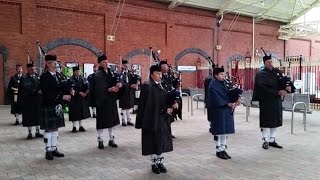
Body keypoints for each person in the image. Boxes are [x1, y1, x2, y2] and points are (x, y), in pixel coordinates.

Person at [135, 64, 177, 174]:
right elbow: (147, 105)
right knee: (152, 140)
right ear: (152, 74)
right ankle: (153, 162)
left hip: (162, 118)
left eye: (161, 73)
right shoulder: (147, 86)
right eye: (157, 74)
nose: (160, 76)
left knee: (161, 139)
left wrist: (173, 104)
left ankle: (159, 160)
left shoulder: (163, 84)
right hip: (151, 118)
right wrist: (164, 109)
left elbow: (166, 98)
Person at [253, 54, 291, 150]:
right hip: (266, 100)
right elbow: (262, 87)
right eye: (268, 62)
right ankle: (265, 140)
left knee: (275, 120)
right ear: (264, 63)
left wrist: (287, 87)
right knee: (266, 120)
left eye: (271, 61)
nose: (270, 63)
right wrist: (277, 92)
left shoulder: (276, 72)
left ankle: (272, 140)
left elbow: (282, 81)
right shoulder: (261, 74)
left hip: (276, 100)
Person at [39, 54, 72, 160]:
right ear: (48, 64)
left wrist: (69, 88)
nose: (56, 64)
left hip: (57, 105)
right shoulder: (44, 77)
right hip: (49, 104)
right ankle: (48, 150)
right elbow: (47, 93)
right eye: (54, 63)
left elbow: (62, 88)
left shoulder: (58, 75)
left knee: (55, 127)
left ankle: (54, 148)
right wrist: (63, 96)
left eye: (56, 62)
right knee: (49, 129)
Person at [207, 66, 239, 160]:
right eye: (221, 74)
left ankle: (223, 148)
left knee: (225, 130)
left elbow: (230, 93)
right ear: (216, 75)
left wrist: (235, 100)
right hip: (218, 110)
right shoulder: (213, 84)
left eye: (224, 74)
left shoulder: (225, 83)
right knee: (219, 130)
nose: (223, 76)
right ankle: (218, 150)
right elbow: (215, 97)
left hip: (227, 110)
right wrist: (227, 103)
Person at [92, 54, 122, 149]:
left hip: (111, 100)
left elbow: (115, 80)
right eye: (104, 62)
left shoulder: (110, 72)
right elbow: (97, 89)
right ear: (99, 63)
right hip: (102, 102)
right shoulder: (97, 74)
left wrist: (118, 85)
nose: (106, 63)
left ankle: (111, 139)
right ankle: (100, 140)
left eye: (107, 62)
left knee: (112, 121)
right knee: (101, 122)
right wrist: (109, 89)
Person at [21, 62, 43, 139]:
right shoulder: (24, 78)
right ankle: (29, 132)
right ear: (28, 69)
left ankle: (37, 132)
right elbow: (25, 88)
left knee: (38, 116)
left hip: (37, 100)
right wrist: (36, 91)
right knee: (29, 117)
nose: (33, 70)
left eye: (34, 69)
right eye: (31, 69)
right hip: (28, 101)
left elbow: (41, 86)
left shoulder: (37, 77)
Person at [68, 65, 91, 132]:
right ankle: (74, 127)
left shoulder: (82, 78)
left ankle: (81, 126)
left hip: (81, 98)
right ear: (74, 72)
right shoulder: (71, 79)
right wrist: (79, 93)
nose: (78, 72)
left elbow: (87, 86)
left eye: (79, 71)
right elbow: (70, 89)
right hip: (74, 99)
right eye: (77, 71)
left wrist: (86, 92)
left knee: (81, 113)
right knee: (74, 113)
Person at [118, 59, 136, 126]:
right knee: (124, 106)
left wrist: (136, 83)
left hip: (129, 91)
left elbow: (134, 79)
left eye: (126, 64)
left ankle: (129, 120)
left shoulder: (130, 73)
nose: (125, 66)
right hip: (123, 92)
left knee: (129, 106)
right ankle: (123, 120)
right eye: (124, 64)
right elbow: (120, 82)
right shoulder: (120, 73)